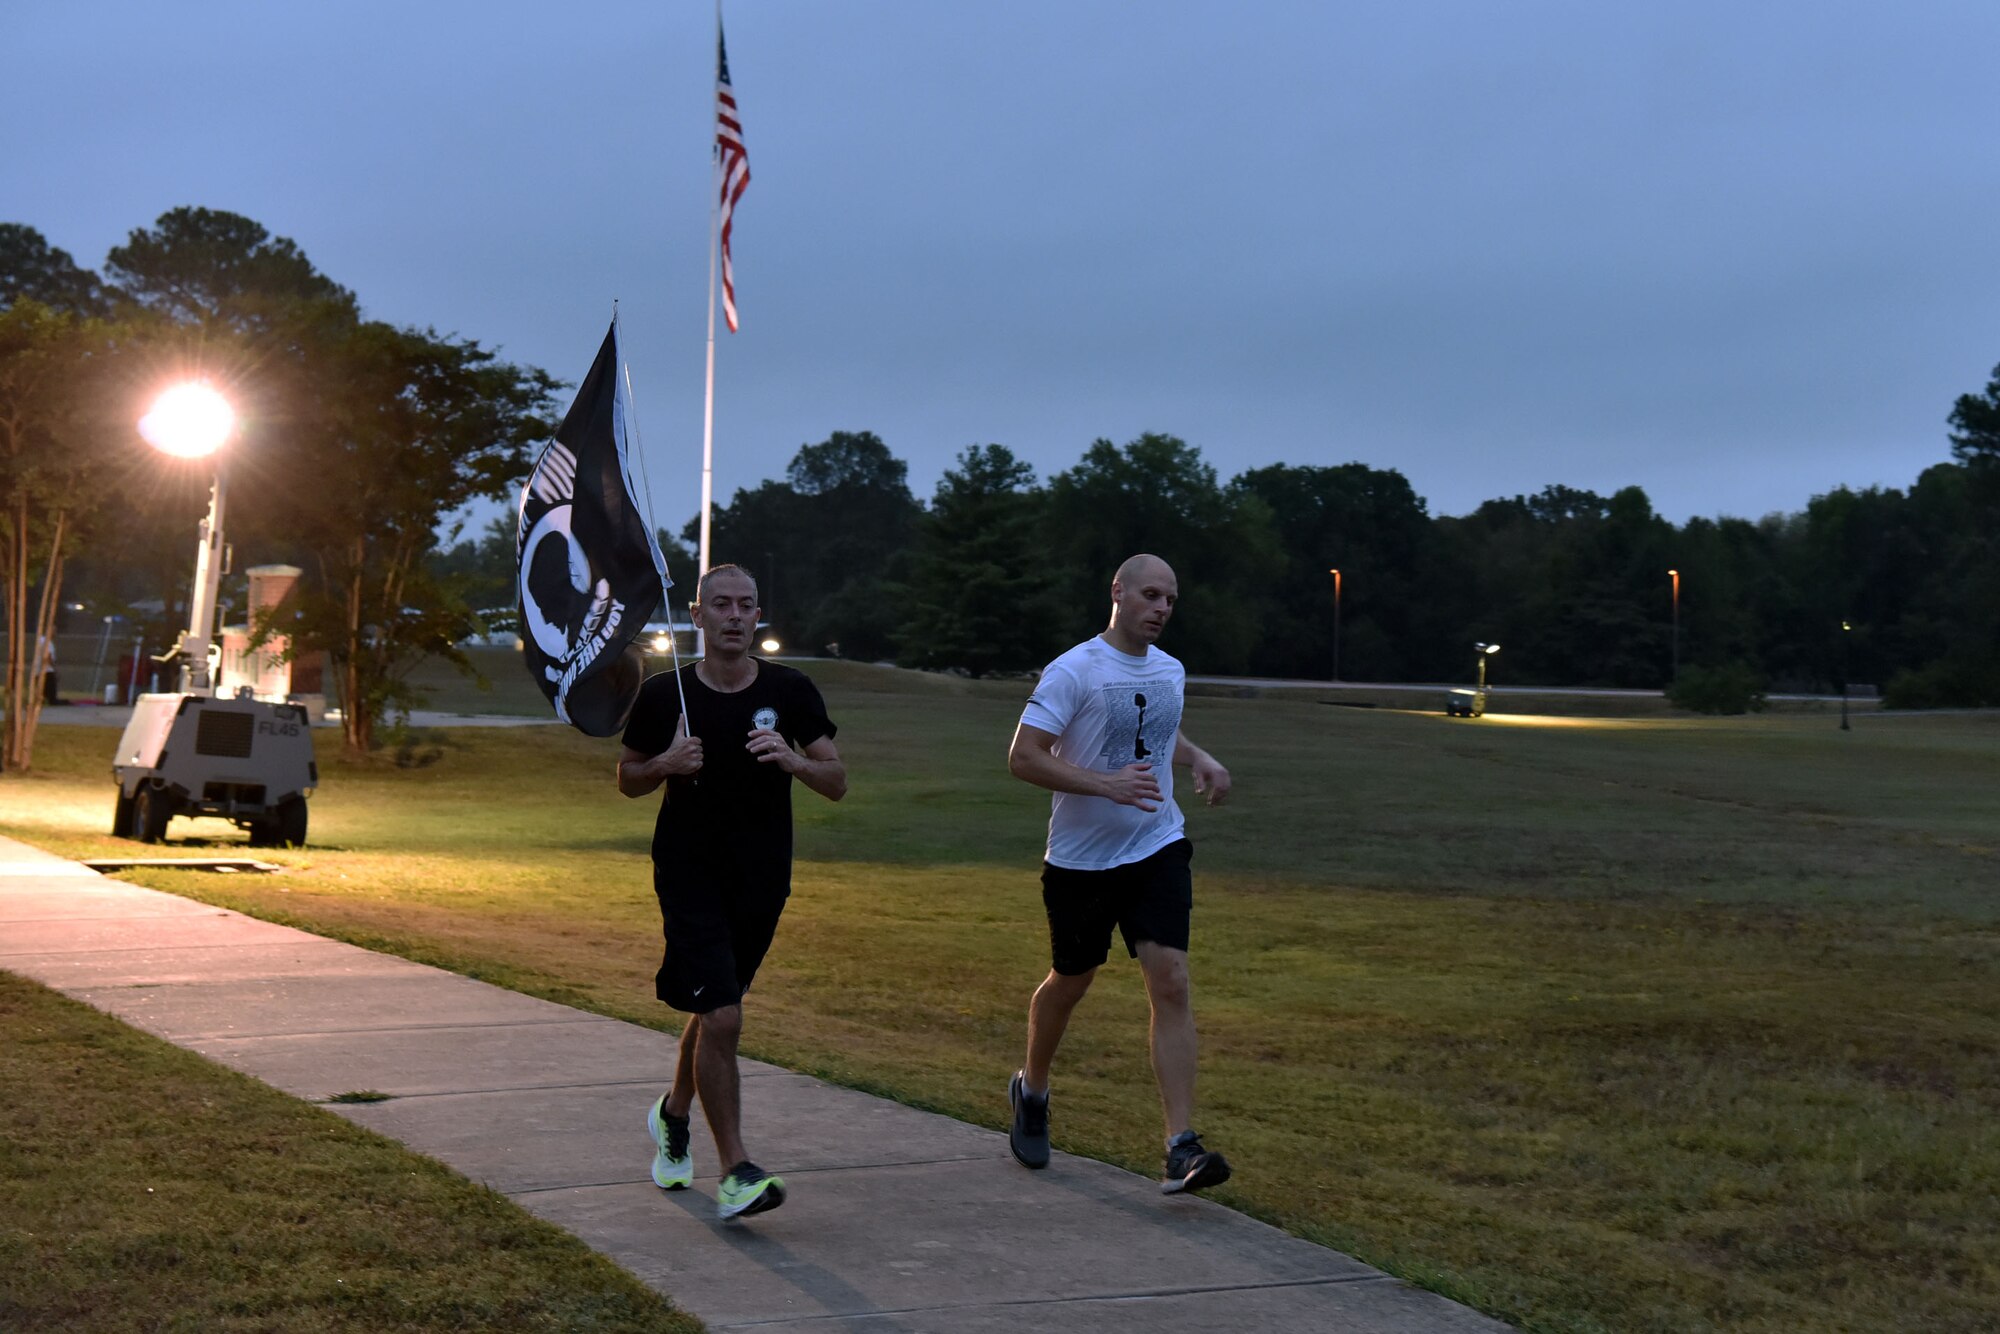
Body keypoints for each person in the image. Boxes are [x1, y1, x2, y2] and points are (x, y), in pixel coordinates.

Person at [618, 564, 846, 1219]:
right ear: (697, 614)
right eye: (722, 604)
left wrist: (795, 759)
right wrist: (665, 763)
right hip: (689, 873)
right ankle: (737, 1171)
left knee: (717, 1007)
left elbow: (837, 780)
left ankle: (672, 1114)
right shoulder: (666, 696)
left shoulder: (791, 689)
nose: (735, 616)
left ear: (757, 616)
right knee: (723, 1015)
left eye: (747, 605)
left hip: (762, 877)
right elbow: (628, 776)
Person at [1005, 553, 1235, 1195]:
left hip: (1157, 844)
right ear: (1119, 592)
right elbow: (1023, 757)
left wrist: (1200, 756)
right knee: (1071, 981)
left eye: (1171, 600)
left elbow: (1156, 730)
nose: (1162, 609)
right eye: (1152, 595)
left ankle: (1180, 1147)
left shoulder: (1170, 670)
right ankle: (1033, 1089)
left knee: (1172, 979)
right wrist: (1103, 784)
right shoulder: (1073, 670)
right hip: (1080, 861)